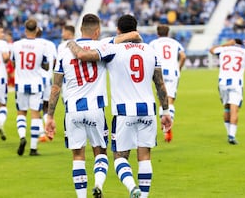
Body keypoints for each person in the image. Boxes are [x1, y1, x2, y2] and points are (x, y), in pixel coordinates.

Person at [66, 14, 172, 198]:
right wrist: (166, 111)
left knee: (119, 158)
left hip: (124, 112)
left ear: (118, 31)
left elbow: (84, 55)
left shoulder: (112, 49)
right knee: (145, 156)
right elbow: (160, 84)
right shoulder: (150, 50)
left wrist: (71, 43)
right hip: (148, 110)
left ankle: (132, 188)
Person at [45, 14, 142, 198]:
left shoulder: (65, 50)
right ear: (97, 31)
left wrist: (50, 116)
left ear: (81, 29)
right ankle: (98, 184)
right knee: (100, 152)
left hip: (72, 110)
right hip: (95, 109)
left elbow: (56, 86)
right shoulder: (103, 45)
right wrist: (135, 35)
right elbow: (126, 37)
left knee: (78, 156)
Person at [11, 18, 49, 156]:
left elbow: (14, 63)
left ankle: (22, 137)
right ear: (37, 30)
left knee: (21, 113)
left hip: (20, 84)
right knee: (35, 115)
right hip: (36, 84)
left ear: (25, 30)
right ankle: (33, 148)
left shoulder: (16, 45)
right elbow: (46, 66)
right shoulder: (41, 46)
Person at [209, 39, 245, 144]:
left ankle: (229, 134)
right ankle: (231, 136)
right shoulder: (243, 52)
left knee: (226, 108)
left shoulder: (223, 49)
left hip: (222, 83)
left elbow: (211, 50)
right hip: (236, 83)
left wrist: (225, 44)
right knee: (234, 110)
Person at [149, 24, 186, 143]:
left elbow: (149, 56)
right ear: (168, 33)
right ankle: (168, 126)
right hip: (173, 72)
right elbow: (183, 56)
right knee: (170, 100)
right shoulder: (175, 43)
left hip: (160, 72)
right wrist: (179, 67)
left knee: (161, 100)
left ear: (158, 33)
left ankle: (164, 124)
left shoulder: (154, 43)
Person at [35, 27, 58, 142]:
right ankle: (49, 129)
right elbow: (54, 61)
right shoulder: (50, 44)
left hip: (34, 79)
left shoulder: (31, 44)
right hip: (47, 79)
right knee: (46, 106)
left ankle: (40, 132)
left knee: (35, 107)